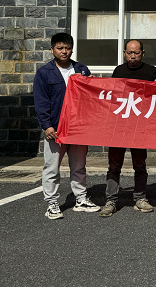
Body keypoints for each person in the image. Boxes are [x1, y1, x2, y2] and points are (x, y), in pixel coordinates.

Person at [33, 32, 100, 219]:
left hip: (78, 127)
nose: (64, 51)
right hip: (56, 129)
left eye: (68, 48)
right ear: (52, 50)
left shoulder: (81, 69)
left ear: (72, 49)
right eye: (60, 48)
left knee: (79, 166)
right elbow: (41, 102)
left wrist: (92, 83)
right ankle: (52, 203)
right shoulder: (44, 73)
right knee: (52, 167)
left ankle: (81, 199)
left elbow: (90, 97)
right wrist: (47, 126)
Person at [99, 40, 156, 218]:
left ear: (143, 53)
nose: (132, 56)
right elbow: (113, 96)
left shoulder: (152, 72)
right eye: (129, 53)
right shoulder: (118, 71)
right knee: (114, 166)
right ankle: (111, 200)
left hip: (140, 126)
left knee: (140, 165)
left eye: (136, 53)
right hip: (119, 126)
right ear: (124, 53)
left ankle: (140, 198)